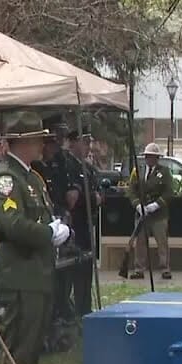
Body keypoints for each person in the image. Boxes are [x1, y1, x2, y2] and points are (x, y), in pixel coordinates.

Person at [0, 112, 70, 364]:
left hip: (38, 272)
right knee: (19, 345)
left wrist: (56, 228)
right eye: (37, 139)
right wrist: (47, 234)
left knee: (33, 345)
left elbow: (42, 214)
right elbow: (13, 224)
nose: (42, 144)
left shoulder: (32, 178)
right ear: (20, 143)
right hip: (20, 274)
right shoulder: (5, 178)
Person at [63, 128, 101, 312]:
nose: (89, 146)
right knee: (70, 276)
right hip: (72, 228)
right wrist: (92, 197)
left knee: (86, 276)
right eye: (85, 141)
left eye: (89, 141)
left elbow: (99, 193)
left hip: (87, 226)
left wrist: (94, 197)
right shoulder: (68, 165)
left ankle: (84, 311)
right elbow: (72, 199)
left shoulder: (88, 168)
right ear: (73, 142)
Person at [127, 142, 172, 280]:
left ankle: (165, 268)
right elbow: (131, 191)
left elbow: (169, 192)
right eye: (147, 156)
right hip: (142, 214)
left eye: (152, 157)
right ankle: (139, 269)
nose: (150, 159)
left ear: (157, 158)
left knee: (162, 242)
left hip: (158, 214)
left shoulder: (164, 172)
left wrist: (156, 205)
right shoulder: (138, 171)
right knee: (140, 242)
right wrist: (137, 205)